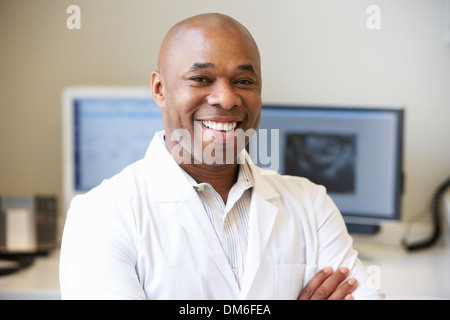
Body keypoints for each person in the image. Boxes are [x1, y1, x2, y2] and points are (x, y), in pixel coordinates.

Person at [59, 13, 384, 300]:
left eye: (244, 81)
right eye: (201, 79)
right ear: (159, 89)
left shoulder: (311, 205)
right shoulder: (101, 216)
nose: (227, 99)